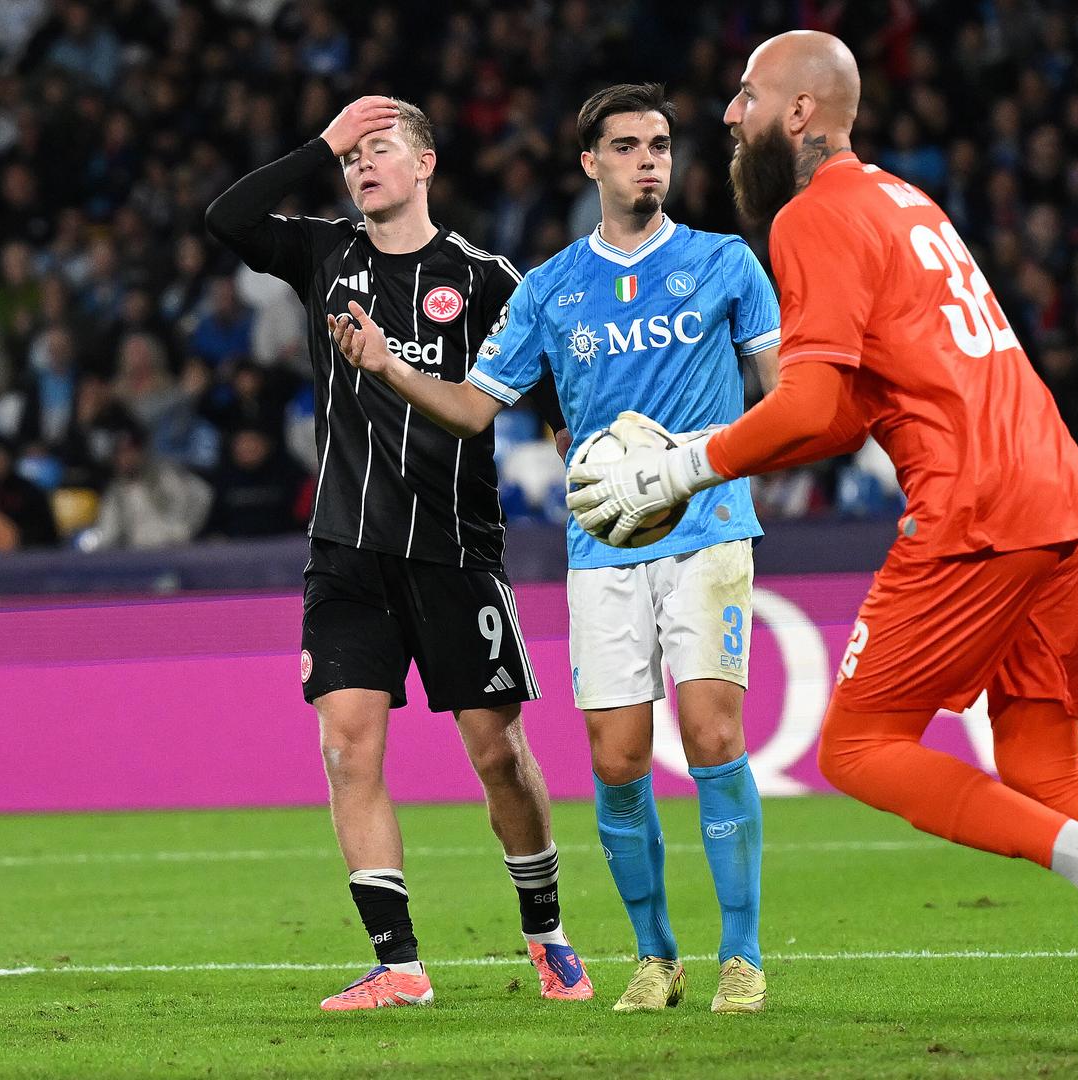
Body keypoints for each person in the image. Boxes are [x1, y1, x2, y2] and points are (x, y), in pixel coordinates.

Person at [565, 32, 1078, 1052]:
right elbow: (832, 415)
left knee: (861, 749)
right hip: (1056, 489)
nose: (730, 118)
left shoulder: (812, 216)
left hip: (974, 506)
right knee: (1048, 769)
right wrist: (722, 451)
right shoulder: (904, 201)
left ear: (799, 113)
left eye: (745, 98)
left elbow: (808, 405)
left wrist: (681, 465)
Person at [329, 83, 781, 1015]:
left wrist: (707, 461)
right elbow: (474, 409)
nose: (648, 159)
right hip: (603, 547)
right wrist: (389, 365)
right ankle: (656, 959)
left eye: (659, 144)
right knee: (617, 762)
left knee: (712, 735)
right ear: (592, 164)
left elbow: (787, 398)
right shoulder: (549, 289)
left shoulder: (727, 263)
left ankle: (742, 955)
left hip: (707, 531)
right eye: (626, 146)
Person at [205, 94, 591, 1010]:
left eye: (381, 150)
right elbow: (225, 218)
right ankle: (399, 965)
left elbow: (553, 399)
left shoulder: (487, 278)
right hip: (344, 552)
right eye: (352, 157)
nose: (361, 166)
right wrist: (318, 143)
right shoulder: (322, 254)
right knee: (347, 749)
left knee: (497, 753)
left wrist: (589, 453)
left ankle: (547, 935)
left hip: (456, 552)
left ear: (425, 165)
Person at [85, 427, 211, 551]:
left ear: (141, 452)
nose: (126, 458)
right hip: (139, 556)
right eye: (121, 453)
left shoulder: (164, 476)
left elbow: (203, 493)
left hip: (172, 550)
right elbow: (108, 532)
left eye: (130, 451)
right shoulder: (116, 492)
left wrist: (183, 531)